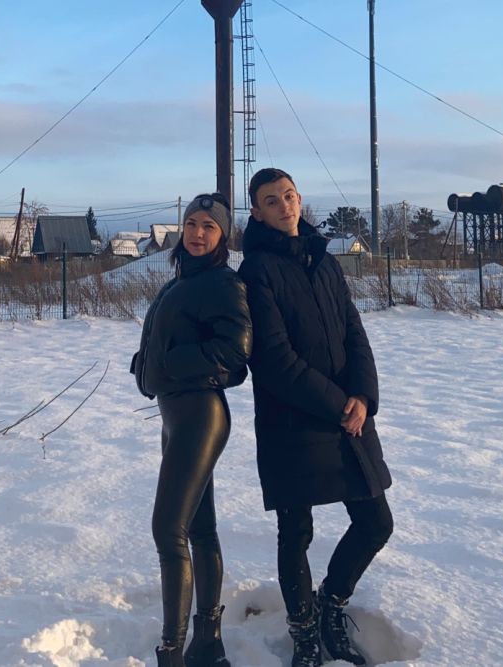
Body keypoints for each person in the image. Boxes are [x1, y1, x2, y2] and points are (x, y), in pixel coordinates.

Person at [238, 169, 393, 666]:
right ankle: (304, 633)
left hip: (350, 417)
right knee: (296, 533)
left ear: (299, 199)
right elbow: (274, 359)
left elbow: (354, 332)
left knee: (375, 522)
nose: (284, 206)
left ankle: (331, 605)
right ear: (257, 212)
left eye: (289, 195)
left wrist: (363, 396)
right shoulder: (256, 271)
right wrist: (339, 405)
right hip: (292, 422)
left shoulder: (325, 261)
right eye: (271, 200)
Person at [131, 192, 252, 667]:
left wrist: (172, 363)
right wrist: (145, 364)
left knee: (168, 529)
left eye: (209, 226)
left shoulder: (223, 282)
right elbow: (170, 340)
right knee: (200, 528)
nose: (198, 233)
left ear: (223, 236)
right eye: (192, 224)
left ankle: (172, 653)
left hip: (201, 414)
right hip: (176, 413)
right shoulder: (181, 280)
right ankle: (208, 642)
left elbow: (236, 351)